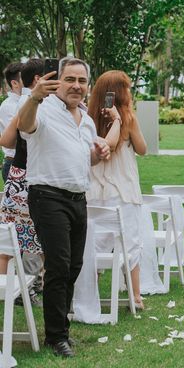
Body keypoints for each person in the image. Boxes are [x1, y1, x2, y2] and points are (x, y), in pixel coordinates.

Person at [17, 57, 110, 358]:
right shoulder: (42, 108)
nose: (76, 86)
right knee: (58, 265)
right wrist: (34, 97)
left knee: (73, 266)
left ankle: (61, 329)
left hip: (78, 198)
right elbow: (25, 126)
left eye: (82, 81)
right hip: (47, 195)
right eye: (70, 79)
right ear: (57, 81)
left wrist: (100, 152)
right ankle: (57, 337)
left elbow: (87, 159)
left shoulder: (87, 119)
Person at [87, 70, 147, 309]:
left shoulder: (87, 118)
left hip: (94, 190)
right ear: (121, 92)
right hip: (123, 188)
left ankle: (90, 293)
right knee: (130, 241)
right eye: (128, 89)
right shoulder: (127, 118)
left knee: (94, 244)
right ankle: (136, 296)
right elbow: (142, 149)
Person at [0, 60, 45, 293]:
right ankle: (26, 289)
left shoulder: (22, 104)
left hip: (18, 174)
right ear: (38, 79)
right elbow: (8, 141)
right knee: (33, 236)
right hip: (31, 175)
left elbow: (7, 140)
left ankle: (26, 287)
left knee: (14, 235)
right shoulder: (39, 104)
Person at [0, 62, 23, 181]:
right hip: (14, 163)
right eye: (26, 77)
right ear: (15, 83)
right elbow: (20, 137)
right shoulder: (9, 106)